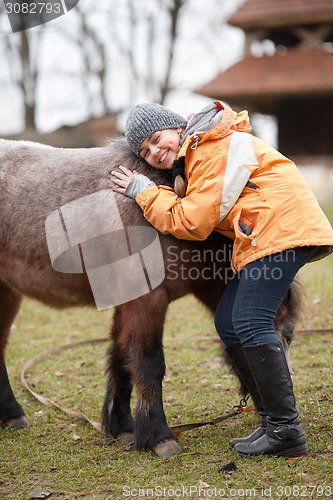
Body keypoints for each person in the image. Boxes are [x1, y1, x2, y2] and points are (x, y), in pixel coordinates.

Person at [110, 101, 333, 458]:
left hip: (278, 231)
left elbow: (194, 222)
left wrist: (145, 191)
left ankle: (285, 431)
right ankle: (271, 422)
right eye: (145, 151)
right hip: (263, 233)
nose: (154, 152)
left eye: (156, 138)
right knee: (229, 321)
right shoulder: (198, 151)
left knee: (250, 321)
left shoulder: (210, 146)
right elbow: (201, 204)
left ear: (177, 127)